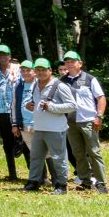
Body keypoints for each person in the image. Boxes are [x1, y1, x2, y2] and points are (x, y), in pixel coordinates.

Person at [25, 58, 76, 194]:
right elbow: (35, 102)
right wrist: (29, 105)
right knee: (35, 156)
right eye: (38, 70)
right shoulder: (35, 85)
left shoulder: (60, 86)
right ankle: (34, 182)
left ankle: (61, 185)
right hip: (39, 127)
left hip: (55, 129)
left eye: (43, 70)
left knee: (58, 158)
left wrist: (52, 107)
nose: (40, 72)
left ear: (50, 71)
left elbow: (72, 106)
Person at [61, 51, 108, 193]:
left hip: (88, 121)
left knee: (94, 152)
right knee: (78, 153)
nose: (69, 64)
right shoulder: (62, 81)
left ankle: (101, 183)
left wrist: (99, 116)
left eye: (72, 61)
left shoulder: (89, 79)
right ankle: (85, 180)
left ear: (80, 63)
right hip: (70, 122)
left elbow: (101, 97)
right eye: (67, 61)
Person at [0, 45, 24, 181]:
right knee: (7, 144)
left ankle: (35, 174)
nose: (3, 57)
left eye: (5, 55)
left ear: (10, 56)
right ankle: (12, 174)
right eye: (0, 55)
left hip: (18, 111)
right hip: (2, 112)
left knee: (24, 142)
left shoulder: (18, 69)